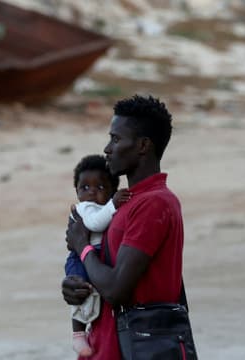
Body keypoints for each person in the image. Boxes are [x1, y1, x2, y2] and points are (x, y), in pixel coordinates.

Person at [62, 94, 184, 360]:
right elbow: (103, 271)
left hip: (133, 350)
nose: (107, 149)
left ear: (142, 145)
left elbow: (117, 289)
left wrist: (82, 246)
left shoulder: (154, 204)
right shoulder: (125, 203)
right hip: (104, 346)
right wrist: (76, 285)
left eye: (116, 139)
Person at [65, 155, 130, 357]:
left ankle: (81, 333)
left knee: (89, 295)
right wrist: (113, 205)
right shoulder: (86, 208)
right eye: (84, 188)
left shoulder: (105, 209)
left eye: (100, 188)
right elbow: (94, 224)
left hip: (91, 254)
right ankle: (78, 334)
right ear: (77, 191)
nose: (91, 192)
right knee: (80, 290)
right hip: (80, 257)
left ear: (110, 190)